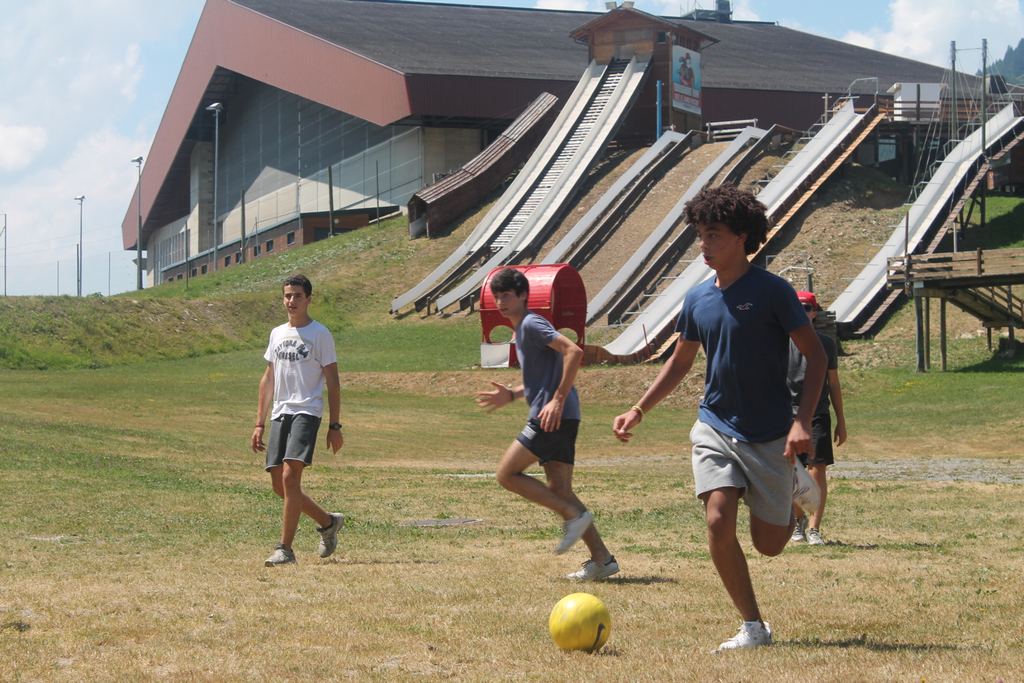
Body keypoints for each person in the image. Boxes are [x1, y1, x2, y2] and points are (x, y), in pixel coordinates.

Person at [612, 185, 826, 652]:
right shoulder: (696, 299)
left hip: (770, 433)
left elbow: (817, 356)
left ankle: (790, 489)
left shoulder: (773, 291)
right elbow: (680, 362)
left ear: (742, 237)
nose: (703, 246)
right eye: (699, 236)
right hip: (715, 426)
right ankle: (753, 625)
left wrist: (802, 421)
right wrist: (638, 408)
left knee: (769, 545)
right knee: (717, 519)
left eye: (713, 235)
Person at [476, 268, 619, 581]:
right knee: (560, 488)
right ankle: (603, 560)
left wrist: (556, 399)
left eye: (507, 295)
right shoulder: (522, 330)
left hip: (552, 415)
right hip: (561, 414)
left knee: (506, 473)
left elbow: (574, 351)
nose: (501, 301)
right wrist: (512, 395)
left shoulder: (530, 324)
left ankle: (571, 515)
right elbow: (541, 379)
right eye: (496, 296)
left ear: (523, 296)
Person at [251, 274, 345, 567]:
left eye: (297, 296)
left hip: (307, 410)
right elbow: (268, 377)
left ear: (308, 300)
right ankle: (328, 522)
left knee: (292, 478)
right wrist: (259, 422)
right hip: (281, 412)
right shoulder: (277, 333)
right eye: (287, 296)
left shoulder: (320, 334)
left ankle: (285, 549)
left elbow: (333, 381)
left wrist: (335, 425)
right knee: (280, 486)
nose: (291, 301)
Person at [789, 291, 847, 547]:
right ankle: (797, 524)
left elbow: (833, 383)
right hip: (787, 415)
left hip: (819, 414)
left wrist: (841, 421)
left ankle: (814, 528)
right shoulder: (782, 343)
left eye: (806, 308)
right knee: (791, 471)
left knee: (817, 469)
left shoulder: (826, 344)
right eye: (797, 307)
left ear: (814, 312)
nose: (802, 312)